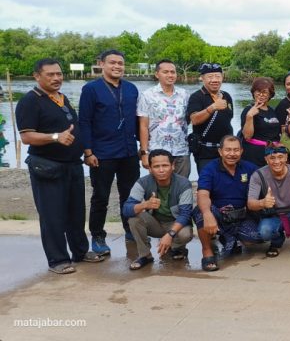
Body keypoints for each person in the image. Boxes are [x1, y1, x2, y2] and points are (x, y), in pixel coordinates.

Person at [17, 58, 105, 274]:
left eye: (59, 74)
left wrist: (86, 152)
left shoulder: (61, 98)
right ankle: (57, 259)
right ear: (37, 76)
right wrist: (55, 137)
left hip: (72, 165)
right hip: (47, 167)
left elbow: (74, 129)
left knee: (76, 212)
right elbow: (27, 137)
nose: (56, 78)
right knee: (52, 215)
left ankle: (80, 252)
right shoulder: (30, 101)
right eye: (50, 75)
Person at [79, 49, 140, 254]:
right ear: (101, 64)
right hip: (102, 152)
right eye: (112, 62)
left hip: (128, 150)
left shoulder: (131, 89)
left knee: (130, 195)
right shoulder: (91, 89)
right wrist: (88, 152)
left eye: (120, 63)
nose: (117, 67)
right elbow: (84, 122)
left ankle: (130, 229)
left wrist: (144, 148)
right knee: (100, 197)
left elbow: (138, 120)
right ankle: (97, 235)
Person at [192, 136, 262, 272]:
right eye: (228, 150)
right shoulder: (209, 169)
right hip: (218, 214)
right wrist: (207, 214)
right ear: (220, 151)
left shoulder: (249, 167)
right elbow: (203, 194)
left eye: (236, 150)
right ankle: (207, 252)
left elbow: (270, 172)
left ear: (241, 151)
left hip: (242, 215)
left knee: (255, 238)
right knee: (201, 212)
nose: (232, 154)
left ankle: (229, 238)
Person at [122, 149, 194, 270]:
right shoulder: (142, 182)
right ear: (150, 168)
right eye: (156, 166)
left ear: (173, 166)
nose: (161, 170)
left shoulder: (183, 184)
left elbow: (185, 214)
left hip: (175, 224)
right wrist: (144, 205)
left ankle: (176, 248)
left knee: (186, 233)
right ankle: (145, 255)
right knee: (134, 217)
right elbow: (126, 209)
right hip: (155, 224)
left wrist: (170, 235)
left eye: (165, 165)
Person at [137, 59, 191, 178]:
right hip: (157, 151)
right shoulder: (147, 95)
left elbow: (189, 119)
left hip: (181, 150)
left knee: (181, 188)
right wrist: (144, 152)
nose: (170, 75)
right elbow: (143, 126)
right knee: (158, 189)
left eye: (173, 72)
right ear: (157, 74)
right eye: (165, 72)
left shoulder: (185, 95)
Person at [186, 62, 234, 172]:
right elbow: (194, 120)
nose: (214, 80)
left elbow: (229, 119)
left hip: (226, 151)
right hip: (205, 152)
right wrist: (212, 107)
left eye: (218, 76)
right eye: (210, 77)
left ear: (222, 77)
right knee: (208, 184)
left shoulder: (226, 96)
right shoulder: (196, 97)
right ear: (202, 78)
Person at [241, 77, 281, 167]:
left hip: (272, 155)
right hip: (254, 156)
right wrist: (249, 116)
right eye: (258, 91)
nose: (261, 94)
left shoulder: (272, 111)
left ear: (270, 94)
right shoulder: (248, 110)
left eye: (265, 92)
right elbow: (247, 136)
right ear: (253, 92)